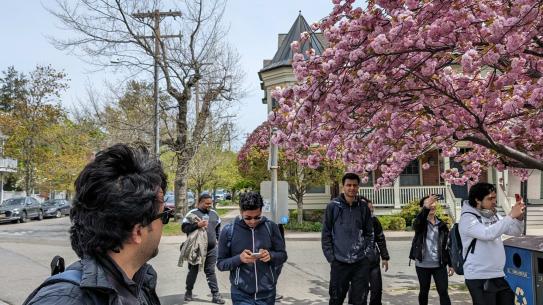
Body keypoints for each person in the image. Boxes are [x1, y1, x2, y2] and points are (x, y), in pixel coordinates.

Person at [23, 144, 170, 305]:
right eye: (164, 216)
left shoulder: (136, 282)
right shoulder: (65, 300)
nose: (163, 224)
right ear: (138, 231)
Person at [459, 182, 524, 305]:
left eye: (495, 197)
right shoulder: (467, 219)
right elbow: (488, 234)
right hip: (479, 276)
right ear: (477, 200)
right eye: (490, 198)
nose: (494, 201)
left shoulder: (493, 215)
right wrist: (510, 216)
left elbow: (515, 231)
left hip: (498, 274)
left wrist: (519, 217)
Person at [217, 192, 287, 305]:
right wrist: (239, 258)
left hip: (267, 294)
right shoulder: (229, 230)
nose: (253, 221)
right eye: (248, 218)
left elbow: (283, 255)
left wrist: (271, 255)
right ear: (241, 212)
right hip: (241, 295)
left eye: (257, 217)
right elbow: (220, 264)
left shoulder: (271, 227)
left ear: (261, 211)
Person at [322, 172, 374, 305]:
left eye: (354, 185)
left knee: (360, 300)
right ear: (343, 186)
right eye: (348, 185)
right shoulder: (333, 207)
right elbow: (326, 233)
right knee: (336, 299)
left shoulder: (363, 208)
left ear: (358, 187)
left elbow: (369, 233)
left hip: (360, 263)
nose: (351, 188)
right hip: (339, 263)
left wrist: (367, 255)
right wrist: (331, 258)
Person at [409, 195, 454, 305]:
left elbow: (446, 246)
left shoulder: (442, 225)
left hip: (439, 264)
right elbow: (417, 223)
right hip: (422, 265)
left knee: (443, 291)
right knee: (424, 291)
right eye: (429, 203)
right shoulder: (419, 223)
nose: (432, 205)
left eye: (434, 203)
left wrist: (450, 264)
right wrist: (426, 207)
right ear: (423, 208)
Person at [181, 194, 225, 304]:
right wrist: (197, 225)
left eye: (211, 203)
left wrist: (218, 239)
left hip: (211, 249)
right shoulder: (192, 214)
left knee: (210, 271)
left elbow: (218, 227)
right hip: (196, 249)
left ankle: (216, 295)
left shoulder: (214, 214)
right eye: (207, 203)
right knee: (193, 270)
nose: (209, 205)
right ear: (200, 202)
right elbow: (184, 228)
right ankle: (188, 291)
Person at [349, 198, 390, 305]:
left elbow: (380, 238)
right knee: (359, 292)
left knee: (376, 290)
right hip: (357, 263)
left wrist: (384, 257)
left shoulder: (374, 221)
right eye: (369, 210)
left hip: (373, 262)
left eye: (372, 210)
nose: (371, 212)